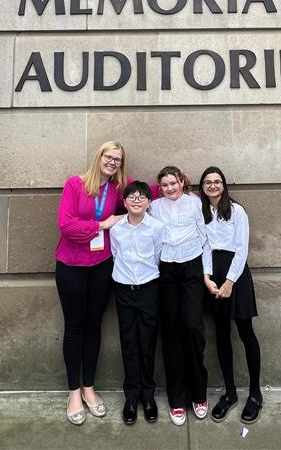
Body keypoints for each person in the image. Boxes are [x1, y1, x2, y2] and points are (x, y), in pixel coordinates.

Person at [55, 140, 127, 425]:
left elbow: (148, 192)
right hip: (71, 266)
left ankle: (89, 387)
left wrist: (177, 182)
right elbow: (65, 224)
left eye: (118, 159)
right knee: (74, 326)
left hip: (101, 266)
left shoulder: (118, 187)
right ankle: (73, 392)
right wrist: (102, 225)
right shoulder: (75, 184)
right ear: (99, 157)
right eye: (108, 157)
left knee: (94, 325)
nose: (112, 162)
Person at [199, 166, 263, 424]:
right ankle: (230, 392)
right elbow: (203, 245)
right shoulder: (201, 212)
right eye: (207, 182)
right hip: (212, 274)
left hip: (235, 275)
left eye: (217, 182)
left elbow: (241, 248)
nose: (212, 185)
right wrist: (206, 277)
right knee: (221, 334)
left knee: (246, 333)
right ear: (202, 187)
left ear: (224, 185)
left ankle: (256, 393)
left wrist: (229, 282)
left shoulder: (237, 211)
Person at [149, 165, 210, 426]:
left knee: (193, 328)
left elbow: (205, 237)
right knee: (171, 330)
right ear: (160, 187)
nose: (170, 188)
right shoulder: (154, 206)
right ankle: (177, 398)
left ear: (182, 182)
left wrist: (206, 273)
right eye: (165, 185)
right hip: (166, 270)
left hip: (192, 267)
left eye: (173, 183)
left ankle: (199, 393)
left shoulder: (195, 203)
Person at [110, 181, 164, 425]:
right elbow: (114, 254)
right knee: (129, 342)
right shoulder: (117, 229)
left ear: (149, 202)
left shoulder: (156, 228)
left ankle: (148, 396)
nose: (136, 200)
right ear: (124, 202)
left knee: (148, 342)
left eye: (142, 197)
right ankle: (131, 397)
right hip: (123, 290)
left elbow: (157, 256)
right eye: (132, 196)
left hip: (149, 289)